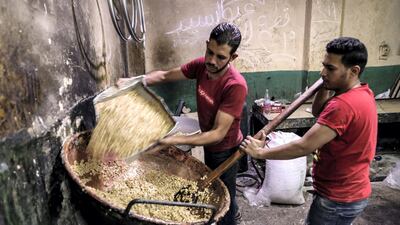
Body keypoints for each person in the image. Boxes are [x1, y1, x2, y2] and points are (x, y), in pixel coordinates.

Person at [118, 22, 247, 225]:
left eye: (221, 57)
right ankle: (233, 212)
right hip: (208, 141)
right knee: (218, 185)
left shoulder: (235, 85)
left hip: (225, 148)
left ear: (233, 57)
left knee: (224, 194)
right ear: (207, 44)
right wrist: (135, 81)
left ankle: (230, 220)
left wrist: (173, 139)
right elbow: (165, 75)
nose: (212, 60)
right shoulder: (201, 66)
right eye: (209, 52)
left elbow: (217, 134)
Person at [240, 37, 376, 225]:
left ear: (354, 71)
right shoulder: (362, 93)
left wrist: (261, 153)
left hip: (338, 199)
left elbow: (303, 146)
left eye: (331, 69)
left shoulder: (343, 105)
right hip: (350, 192)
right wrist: (326, 84)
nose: (323, 73)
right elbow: (319, 111)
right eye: (324, 66)